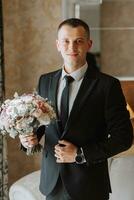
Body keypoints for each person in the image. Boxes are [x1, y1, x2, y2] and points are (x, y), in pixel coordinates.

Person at [19, 18, 133, 200]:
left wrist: (80, 154)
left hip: (89, 187)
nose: (72, 47)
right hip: (52, 185)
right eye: (66, 41)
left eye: (78, 41)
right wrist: (29, 140)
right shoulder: (45, 81)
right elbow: (41, 125)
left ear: (89, 44)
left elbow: (124, 138)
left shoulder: (108, 85)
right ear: (57, 44)